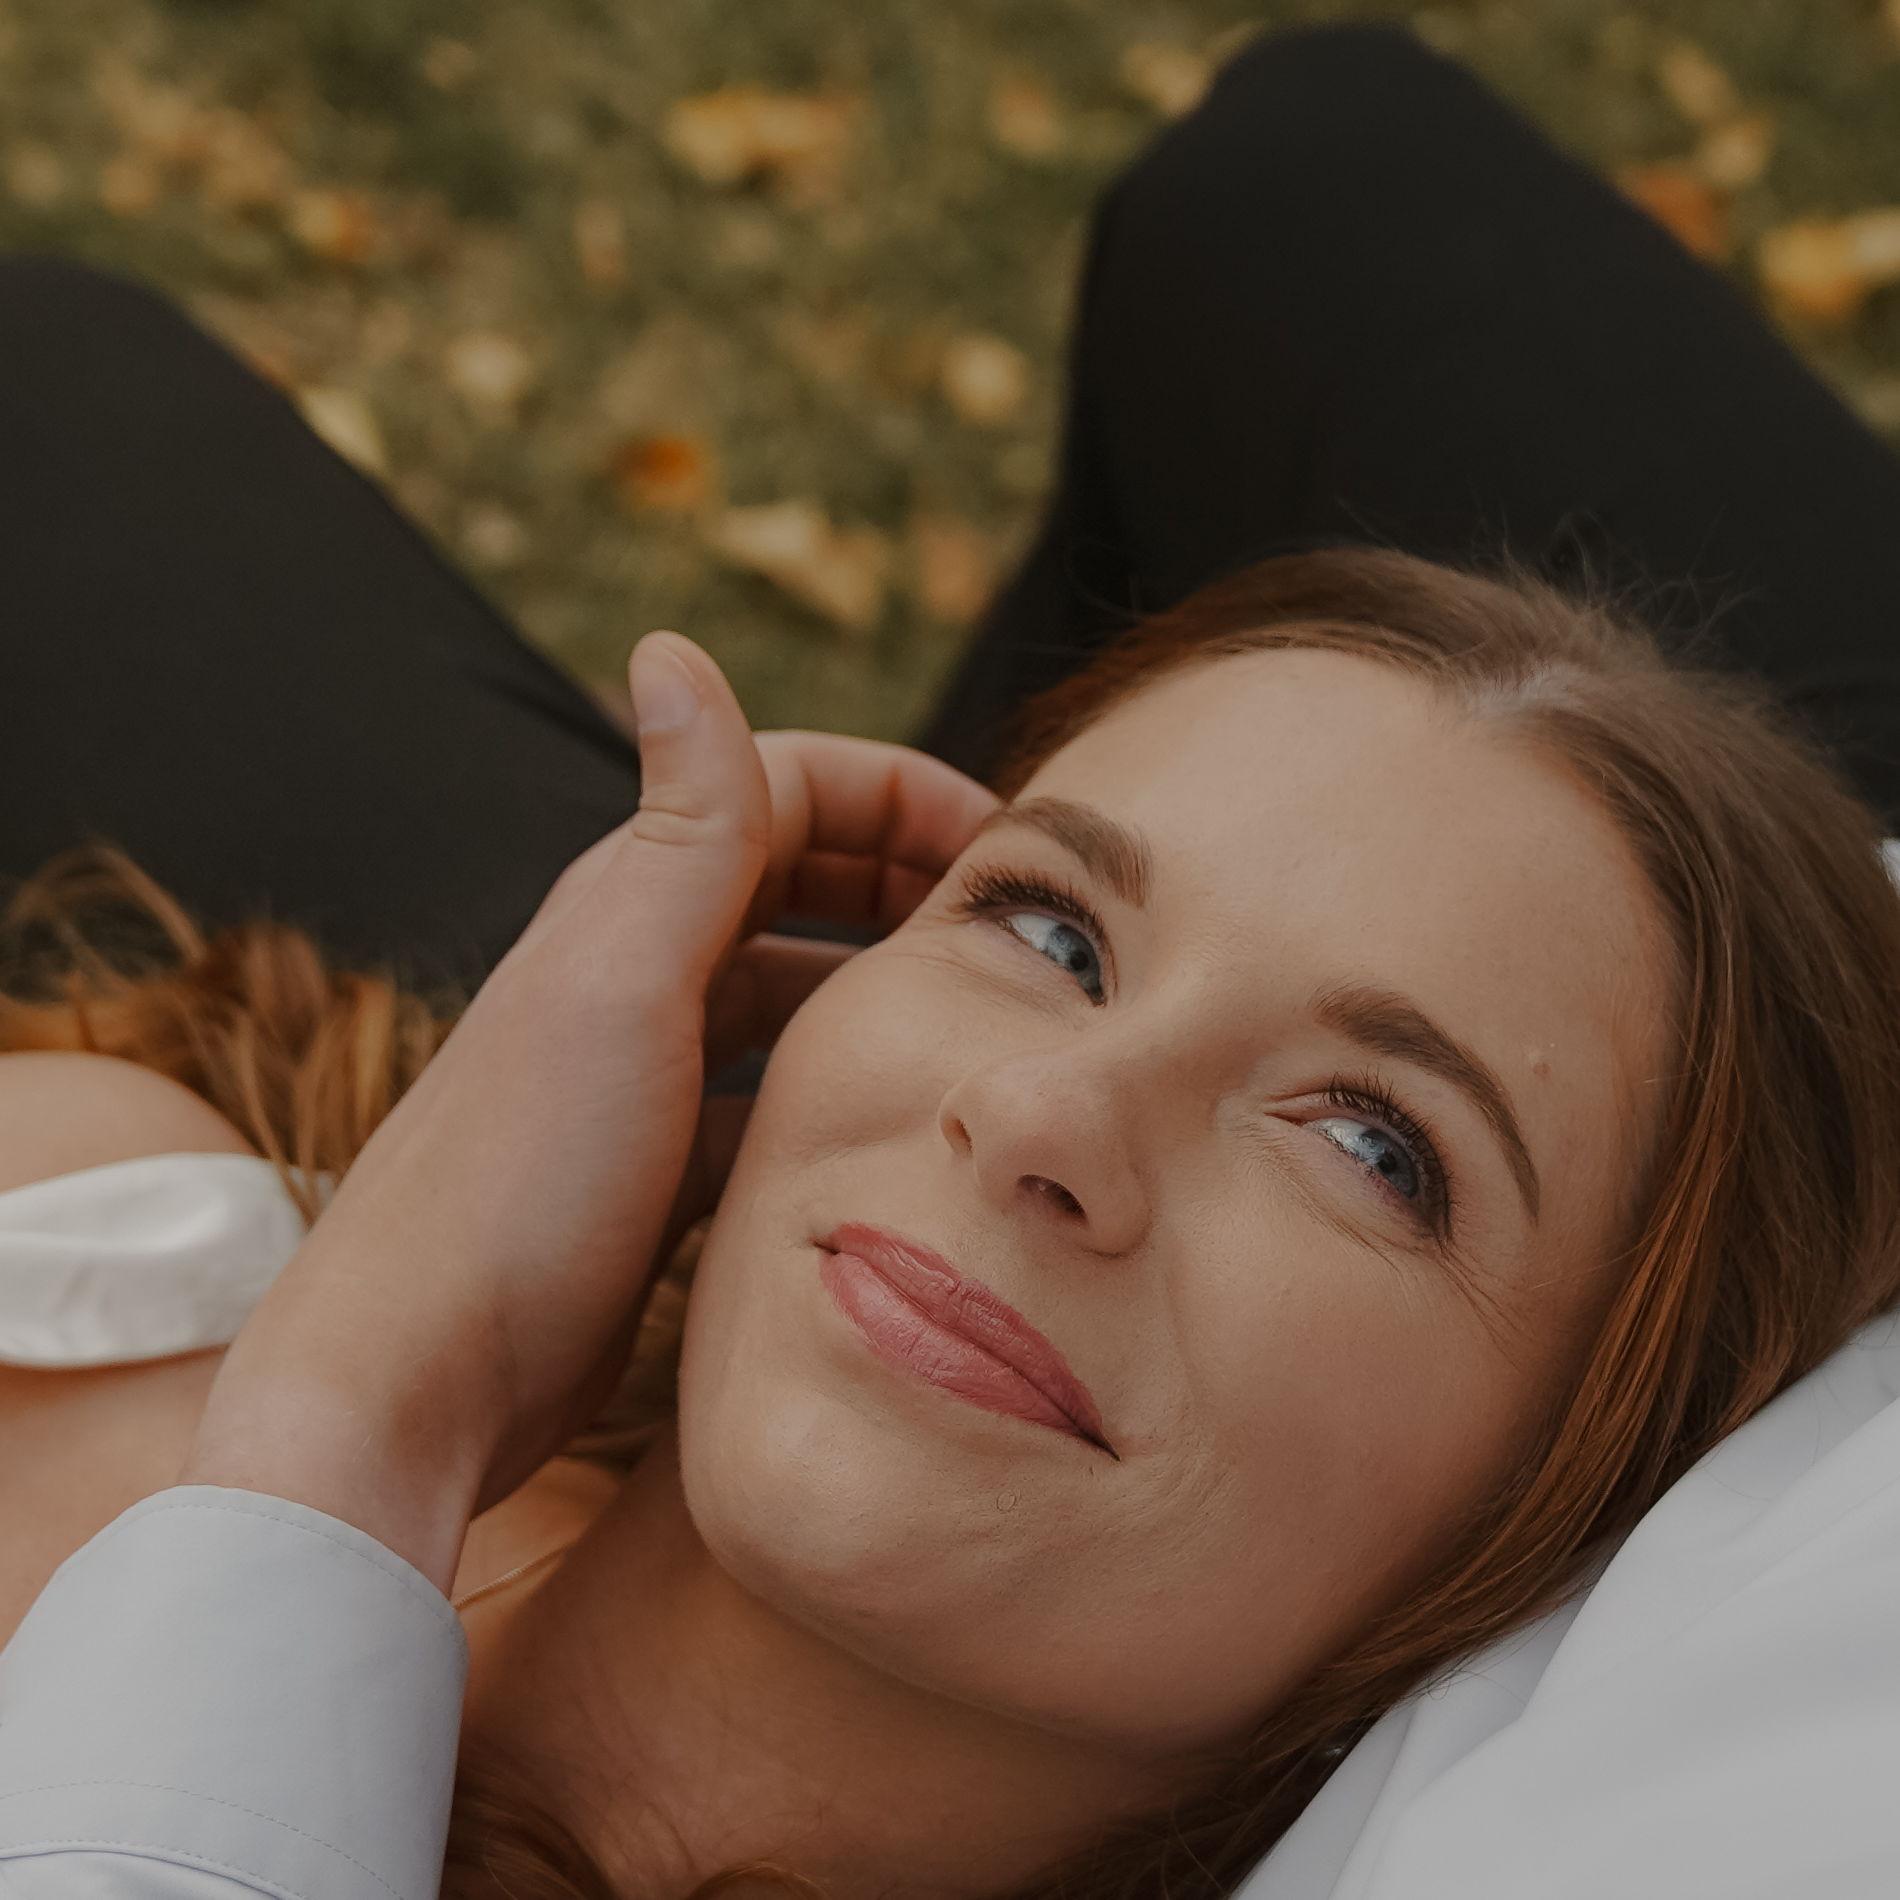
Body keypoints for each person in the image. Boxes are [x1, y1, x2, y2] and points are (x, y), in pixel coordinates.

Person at [4, 17, 1900, 1900]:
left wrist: (354, 1431)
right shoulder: (115, 1231)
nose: (1044, 1114)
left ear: (1564, 1523)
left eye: (1373, 1143)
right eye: (1050, 927)